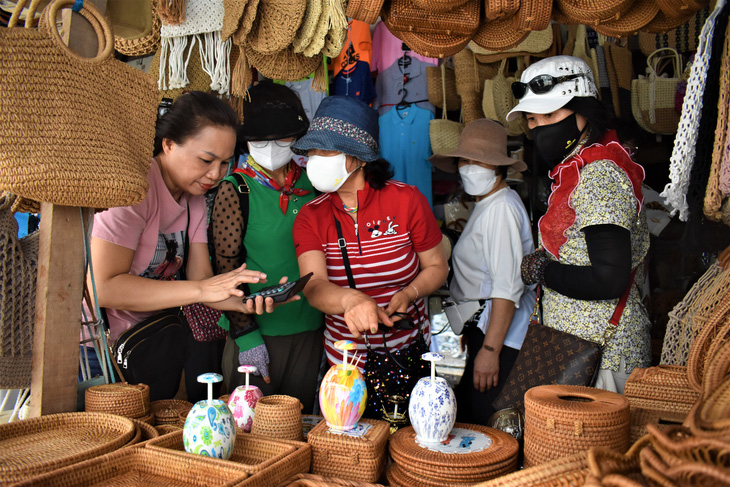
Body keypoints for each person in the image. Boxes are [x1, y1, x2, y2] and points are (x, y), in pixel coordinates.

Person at [89, 91, 288, 402]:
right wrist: (201, 291)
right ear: (168, 143)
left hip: (159, 339)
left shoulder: (193, 197)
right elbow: (103, 287)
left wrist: (244, 301)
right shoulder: (132, 191)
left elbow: (202, 281)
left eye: (225, 162)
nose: (216, 174)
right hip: (105, 352)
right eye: (206, 160)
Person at [290, 96, 449, 416]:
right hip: (345, 364)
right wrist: (351, 301)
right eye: (312, 151)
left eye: (327, 150)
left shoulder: (407, 201)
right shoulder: (310, 217)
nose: (315, 159)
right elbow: (314, 285)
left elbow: (436, 265)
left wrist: (409, 293)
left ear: (359, 158)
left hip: (407, 354)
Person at [509, 56, 651, 394]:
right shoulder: (575, 172)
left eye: (550, 114)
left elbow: (608, 278)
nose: (539, 126)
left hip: (601, 356)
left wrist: (543, 270)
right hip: (574, 351)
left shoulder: (599, 174)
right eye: (532, 118)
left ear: (584, 112)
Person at [209, 81, 324, 414]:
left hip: (309, 326)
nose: (271, 146)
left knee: (296, 426)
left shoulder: (314, 182)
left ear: (297, 136)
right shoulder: (236, 189)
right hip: (257, 330)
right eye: (259, 138)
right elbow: (225, 270)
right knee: (248, 431)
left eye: (283, 137)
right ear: (245, 139)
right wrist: (246, 337)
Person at [429, 119, 535, 424]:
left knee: (488, 423)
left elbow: (505, 288)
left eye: (480, 161)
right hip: (485, 328)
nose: (471, 167)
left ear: (498, 167)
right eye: (465, 160)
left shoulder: (501, 208)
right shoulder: (490, 204)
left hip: (500, 337)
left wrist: (489, 349)